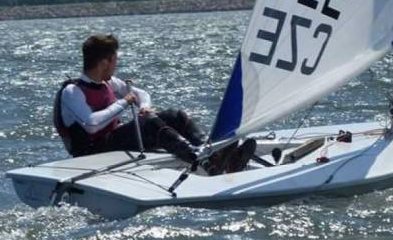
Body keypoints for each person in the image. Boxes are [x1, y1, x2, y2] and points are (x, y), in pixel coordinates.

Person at [54, 34, 255, 174]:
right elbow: (91, 124)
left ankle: (213, 152)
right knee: (150, 124)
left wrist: (143, 106)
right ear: (104, 62)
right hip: (93, 152)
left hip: (114, 141)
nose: (116, 65)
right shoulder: (72, 92)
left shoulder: (109, 82)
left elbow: (141, 94)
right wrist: (124, 102)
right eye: (114, 60)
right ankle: (202, 159)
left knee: (175, 116)